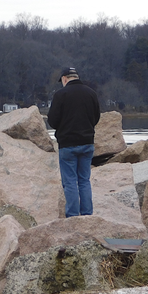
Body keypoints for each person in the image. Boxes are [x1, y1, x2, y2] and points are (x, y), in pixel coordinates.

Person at [47, 66, 101, 218]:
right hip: (87, 142)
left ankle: (72, 217)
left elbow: (53, 121)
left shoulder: (60, 95)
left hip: (68, 144)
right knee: (84, 180)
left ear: (64, 79)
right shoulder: (91, 94)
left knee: (70, 182)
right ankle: (87, 215)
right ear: (76, 77)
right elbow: (96, 117)